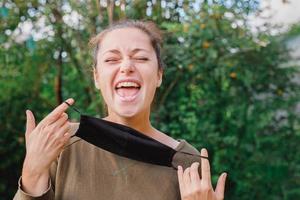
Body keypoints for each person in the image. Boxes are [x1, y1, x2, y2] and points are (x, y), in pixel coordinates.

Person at [14, 20, 227, 200]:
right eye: (112, 59)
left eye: (141, 58)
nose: (126, 67)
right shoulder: (60, 147)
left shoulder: (188, 164)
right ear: (97, 77)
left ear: (159, 75)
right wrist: (32, 173)